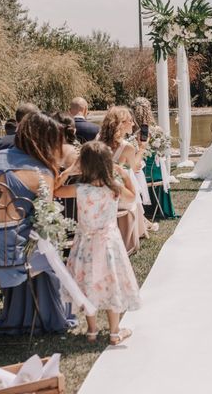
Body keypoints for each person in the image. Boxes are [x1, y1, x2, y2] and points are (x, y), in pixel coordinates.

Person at [0, 112, 73, 334]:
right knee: (48, 246)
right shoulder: (41, 171)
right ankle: (46, 315)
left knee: (31, 240)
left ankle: (19, 312)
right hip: (17, 259)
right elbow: (46, 219)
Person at [55, 141, 141, 345]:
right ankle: (114, 331)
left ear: (83, 164)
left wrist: (68, 171)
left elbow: (55, 191)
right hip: (109, 243)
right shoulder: (114, 188)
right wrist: (124, 173)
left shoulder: (79, 189)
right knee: (112, 283)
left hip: (85, 244)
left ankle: (92, 330)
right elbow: (133, 196)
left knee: (88, 283)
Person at [99, 106, 147, 250]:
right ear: (121, 123)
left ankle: (144, 224)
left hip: (101, 191)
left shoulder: (98, 141)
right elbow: (135, 167)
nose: (133, 124)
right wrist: (142, 148)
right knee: (133, 191)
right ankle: (139, 228)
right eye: (130, 121)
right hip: (118, 195)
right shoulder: (127, 147)